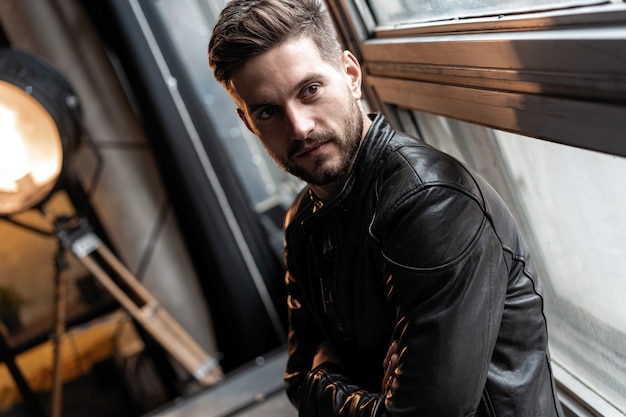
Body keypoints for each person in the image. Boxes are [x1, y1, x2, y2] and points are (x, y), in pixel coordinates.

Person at [208, 1, 564, 415]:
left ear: (351, 75)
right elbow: (296, 382)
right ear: (249, 123)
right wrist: (361, 393)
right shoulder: (302, 224)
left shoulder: (432, 204)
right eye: (268, 111)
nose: (300, 127)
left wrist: (326, 378)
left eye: (310, 90)